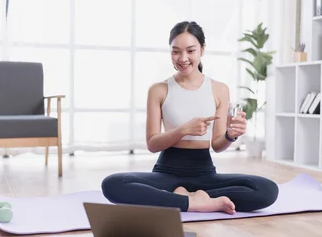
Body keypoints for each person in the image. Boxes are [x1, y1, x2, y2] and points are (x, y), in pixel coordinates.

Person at [101, 21, 279, 214]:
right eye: (176, 51)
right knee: (113, 184)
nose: (183, 58)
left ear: (202, 50)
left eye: (190, 51)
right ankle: (197, 202)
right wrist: (183, 130)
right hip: (165, 174)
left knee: (267, 189)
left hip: (204, 175)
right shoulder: (159, 90)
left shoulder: (219, 89)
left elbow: (217, 145)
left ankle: (182, 198)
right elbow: (152, 143)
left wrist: (230, 135)